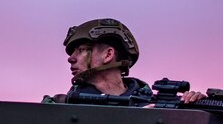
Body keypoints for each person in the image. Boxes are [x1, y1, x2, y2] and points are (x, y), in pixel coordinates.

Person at [43, 18, 205, 105]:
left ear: (108, 55)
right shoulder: (60, 106)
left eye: (81, 50)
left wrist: (195, 107)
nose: (71, 58)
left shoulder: (154, 105)